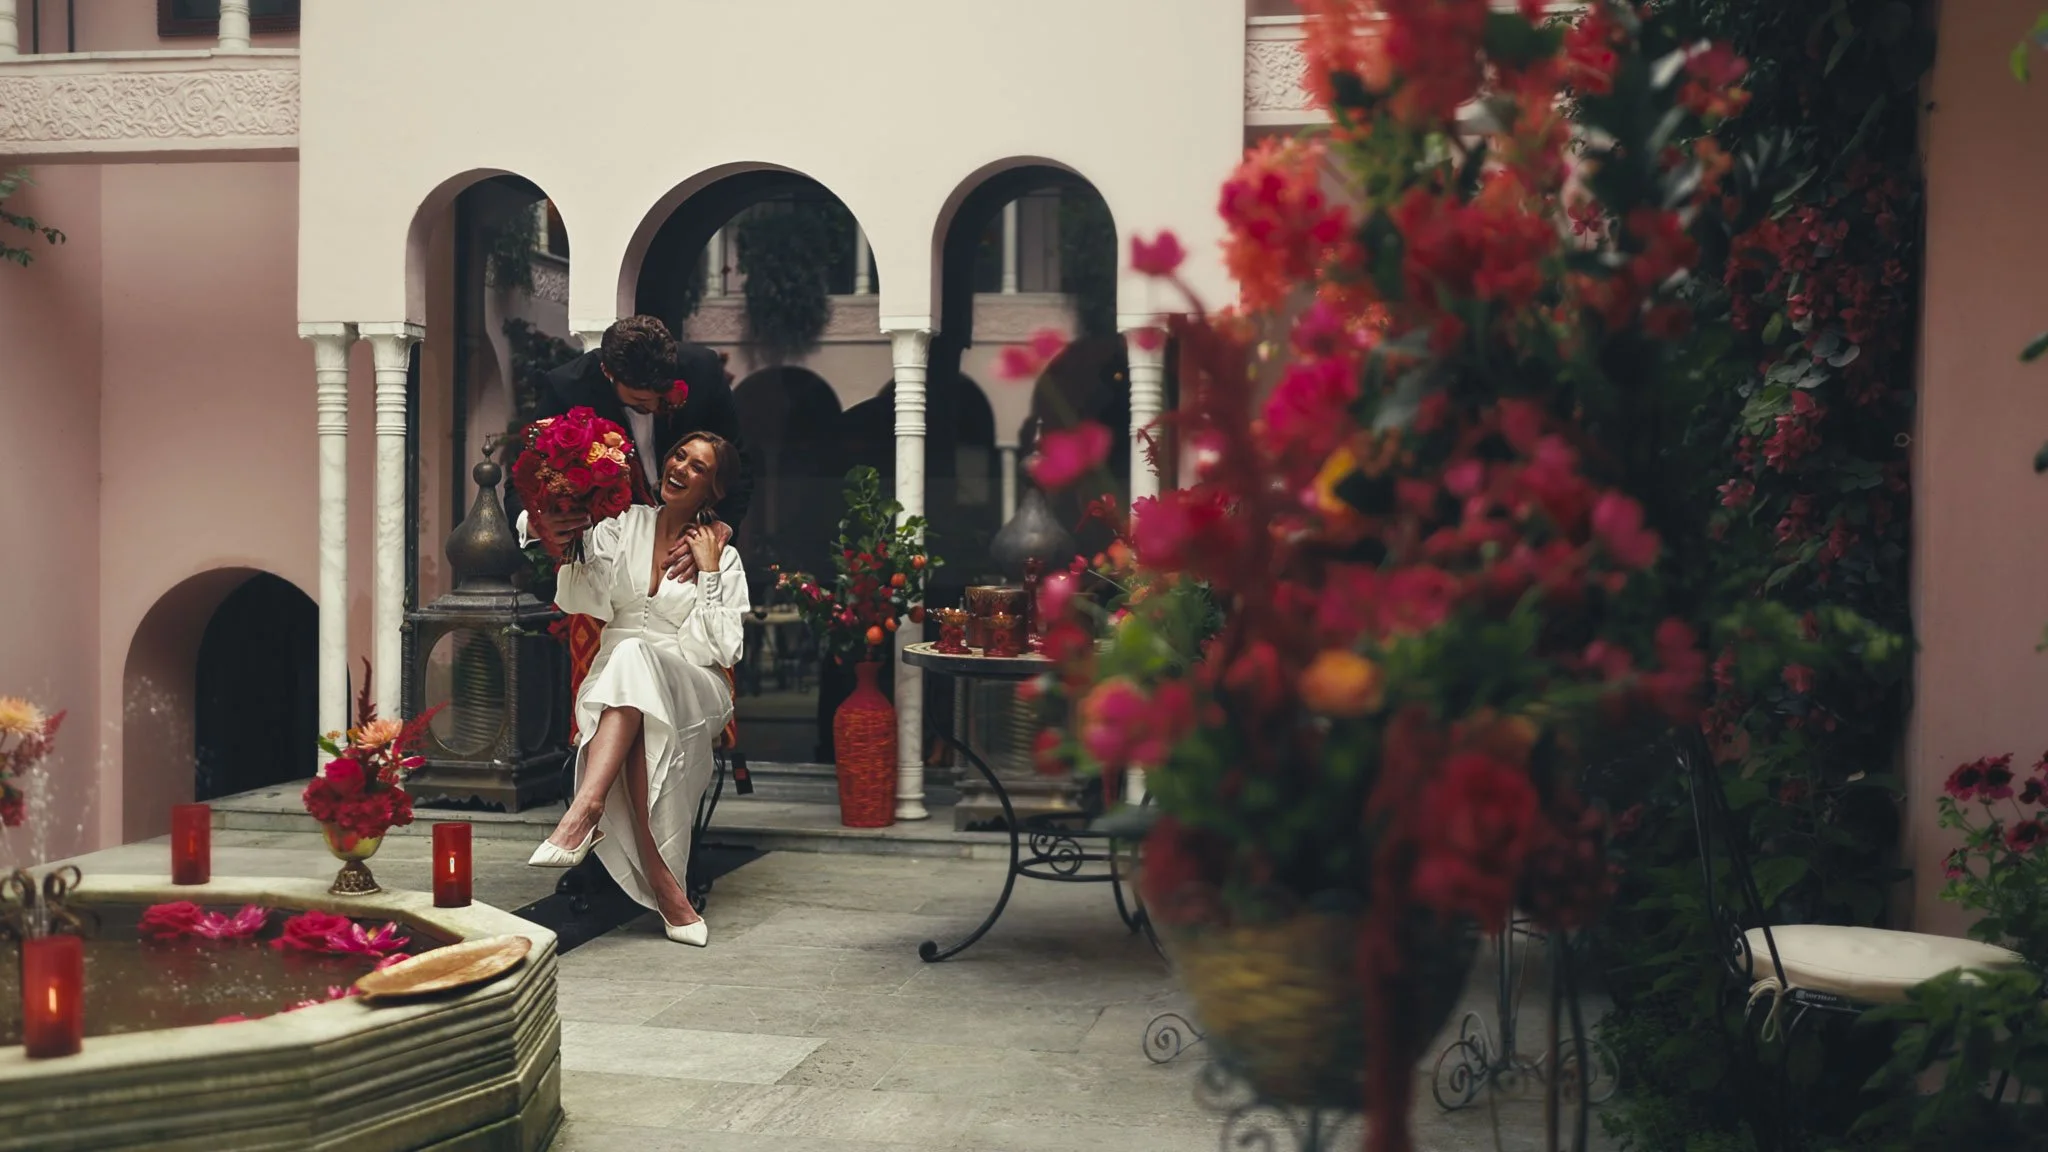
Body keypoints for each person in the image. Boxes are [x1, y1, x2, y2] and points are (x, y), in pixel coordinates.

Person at [524, 431, 750, 947]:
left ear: (712, 489)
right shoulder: (621, 527)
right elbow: (580, 592)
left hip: (693, 683)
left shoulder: (722, 555)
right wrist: (558, 524)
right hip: (613, 685)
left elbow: (718, 650)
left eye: (698, 467)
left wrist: (710, 571)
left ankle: (584, 810)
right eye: (678, 455)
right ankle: (670, 892)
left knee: (635, 658)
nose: (680, 467)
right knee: (629, 670)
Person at [519, 314, 753, 582]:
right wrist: (536, 524)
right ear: (608, 372)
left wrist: (719, 528)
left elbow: (737, 464)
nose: (654, 408)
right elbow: (523, 479)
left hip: (690, 556)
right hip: (608, 562)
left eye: (661, 397)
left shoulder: (703, 370)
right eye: (640, 400)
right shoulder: (567, 388)